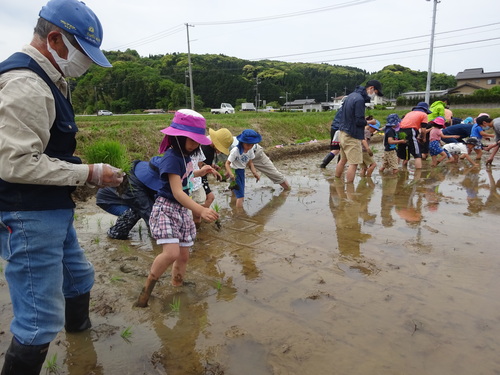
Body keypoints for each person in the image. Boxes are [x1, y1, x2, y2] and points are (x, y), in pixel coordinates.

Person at [0, 0, 124, 373]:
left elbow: (42, 149)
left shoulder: (51, 79)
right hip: (27, 213)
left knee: (80, 277)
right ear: (55, 39)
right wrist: (88, 173)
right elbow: (17, 163)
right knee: (39, 321)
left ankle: (81, 347)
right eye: (83, 54)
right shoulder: (25, 84)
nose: (85, 64)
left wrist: (79, 166)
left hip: (52, 207)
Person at [135, 109, 219, 308]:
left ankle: (176, 284)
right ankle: (145, 292)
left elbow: (186, 178)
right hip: (167, 209)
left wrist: (201, 171)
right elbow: (178, 192)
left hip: (181, 211)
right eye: (192, 140)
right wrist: (200, 210)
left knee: (183, 255)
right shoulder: (172, 157)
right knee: (171, 253)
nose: (196, 144)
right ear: (178, 137)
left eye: (198, 140)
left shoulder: (185, 156)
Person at [335, 79, 384, 183]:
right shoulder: (360, 100)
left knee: (342, 160)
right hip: (352, 135)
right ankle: (350, 189)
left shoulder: (350, 96)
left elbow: (351, 116)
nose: (374, 95)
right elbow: (358, 121)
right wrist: (370, 122)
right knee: (353, 163)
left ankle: (337, 183)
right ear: (371, 88)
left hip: (343, 132)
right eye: (375, 93)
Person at [225, 129, 262, 208]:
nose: (250, 147)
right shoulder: (235, 151)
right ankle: (239, 215)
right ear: (242, 142)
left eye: (252, 145)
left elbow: (250, 162)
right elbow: (227, 163)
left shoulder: (250, 150)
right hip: (235, 172)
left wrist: (255, 173)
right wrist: (231, 174)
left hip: (241, 171)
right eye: (248, 145)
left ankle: (233, 208)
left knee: (236, 192)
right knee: (241, 196)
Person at [397, 101, 431, 169]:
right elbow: (423, 129)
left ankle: (397, 168)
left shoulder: (409, 113)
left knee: (401, 153)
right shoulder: (424, 114)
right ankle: (418, 175)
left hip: (400, 130)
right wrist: (423, 138)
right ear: (425, 110)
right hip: (410, 130)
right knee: (417, 154)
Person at [319, 102, 343, 168]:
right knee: (341, 149)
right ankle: (339, 165)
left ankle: (324, 163)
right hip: (340, 130)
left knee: (336, 149)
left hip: (334, 128)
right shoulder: (348, 110)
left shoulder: (340, 109)